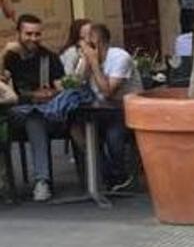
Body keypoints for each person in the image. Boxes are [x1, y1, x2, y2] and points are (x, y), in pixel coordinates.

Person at [2, 14, 65, 201]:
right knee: (31, 116)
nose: (33, 38)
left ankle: (42, 181)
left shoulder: (49, 58)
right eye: (28, 34)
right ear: (19, 34)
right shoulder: (10, 57)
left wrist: (51, 93)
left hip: (43, 112)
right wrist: (4, 53)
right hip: (13, 113)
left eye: (37, 34)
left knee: (35, 117)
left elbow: (61, 87)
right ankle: (41, 181)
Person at [75, 24, 143, 191]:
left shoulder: (120, 58)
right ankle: (105, 175)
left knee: (114, 135)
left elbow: (108, 92)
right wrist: (85, 62)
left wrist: (94, 63)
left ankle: (120, 175)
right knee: (76, 128)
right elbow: (76, 82)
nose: (82, 48)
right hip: (99, 110)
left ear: (96, 44)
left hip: (125, 109)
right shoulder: (88, 59)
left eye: (85, 43)